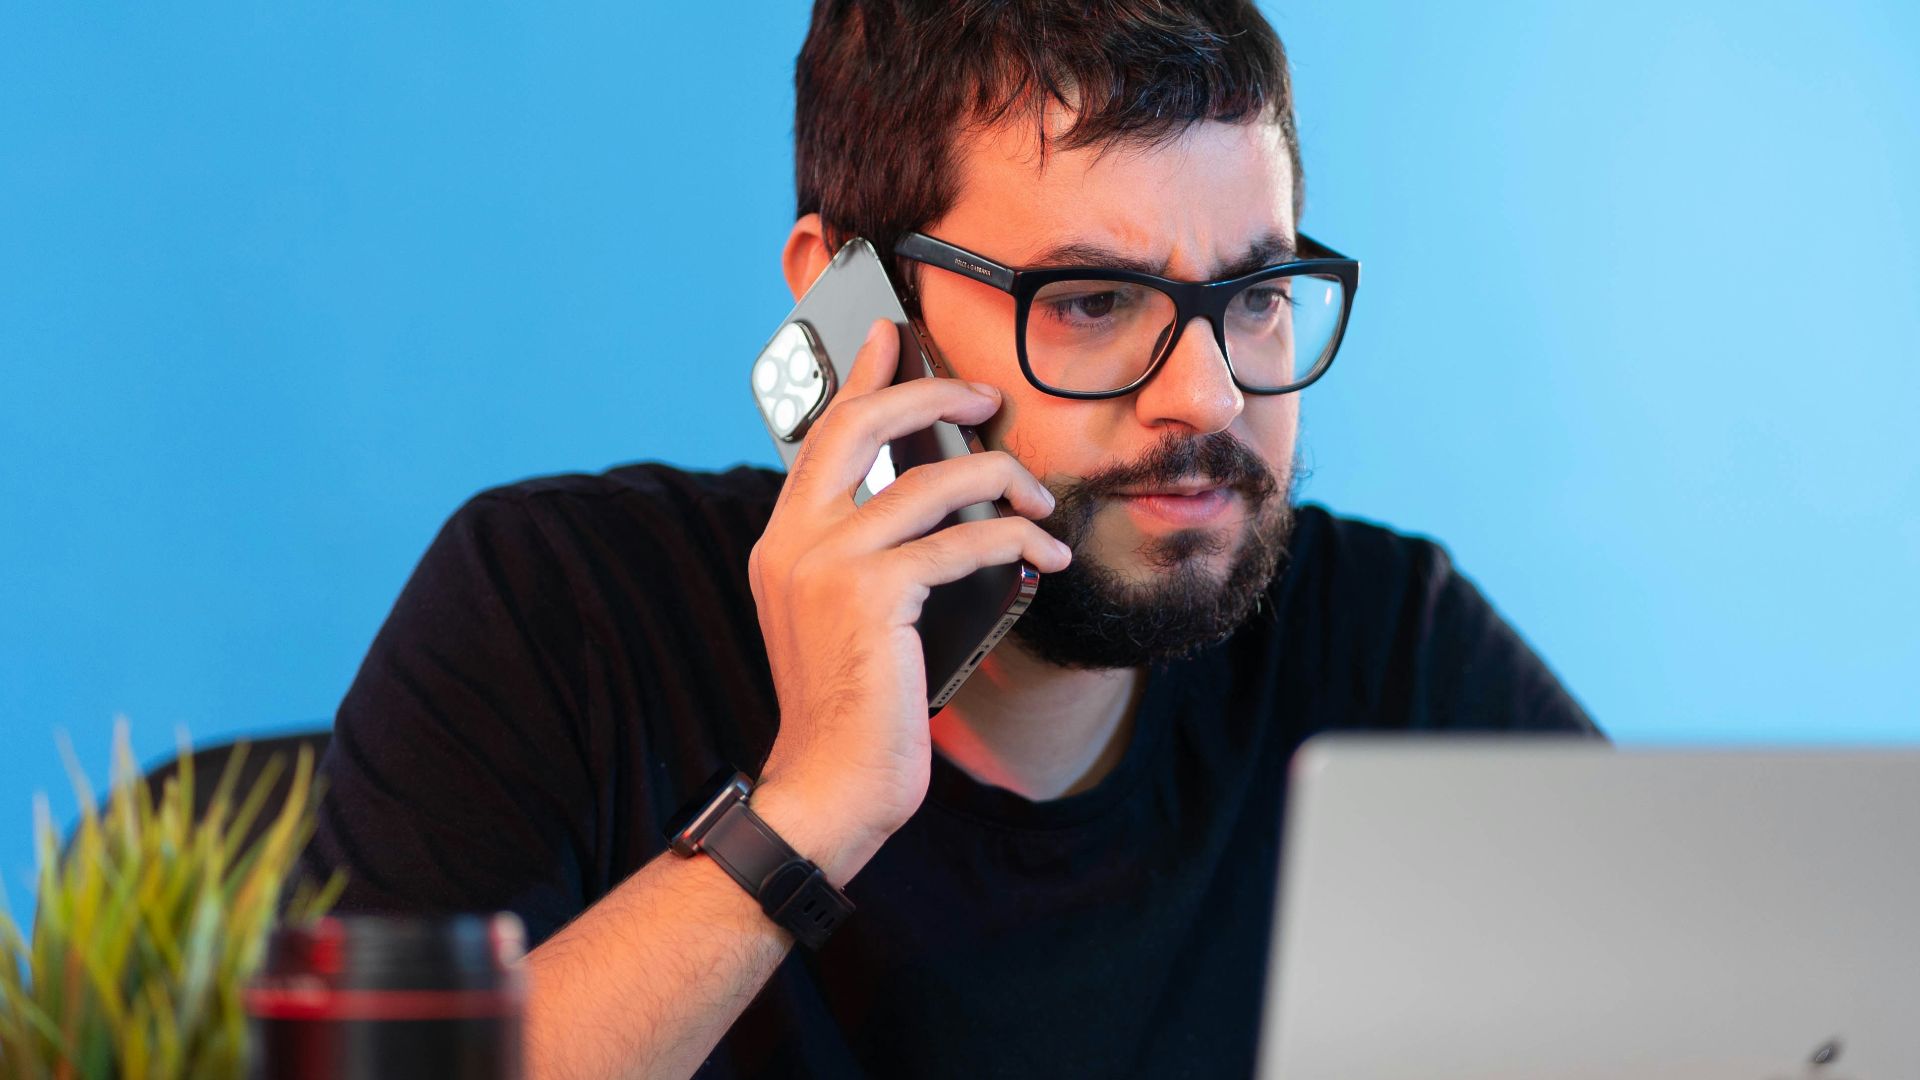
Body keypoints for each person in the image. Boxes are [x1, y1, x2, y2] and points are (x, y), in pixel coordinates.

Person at [300, 1, 1600, 1077]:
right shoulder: (558, 608)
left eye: (1255, 297)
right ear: (848, 300)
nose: (1208, 396)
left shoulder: (1390, 645)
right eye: (1091, 302)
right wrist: (808, 811)